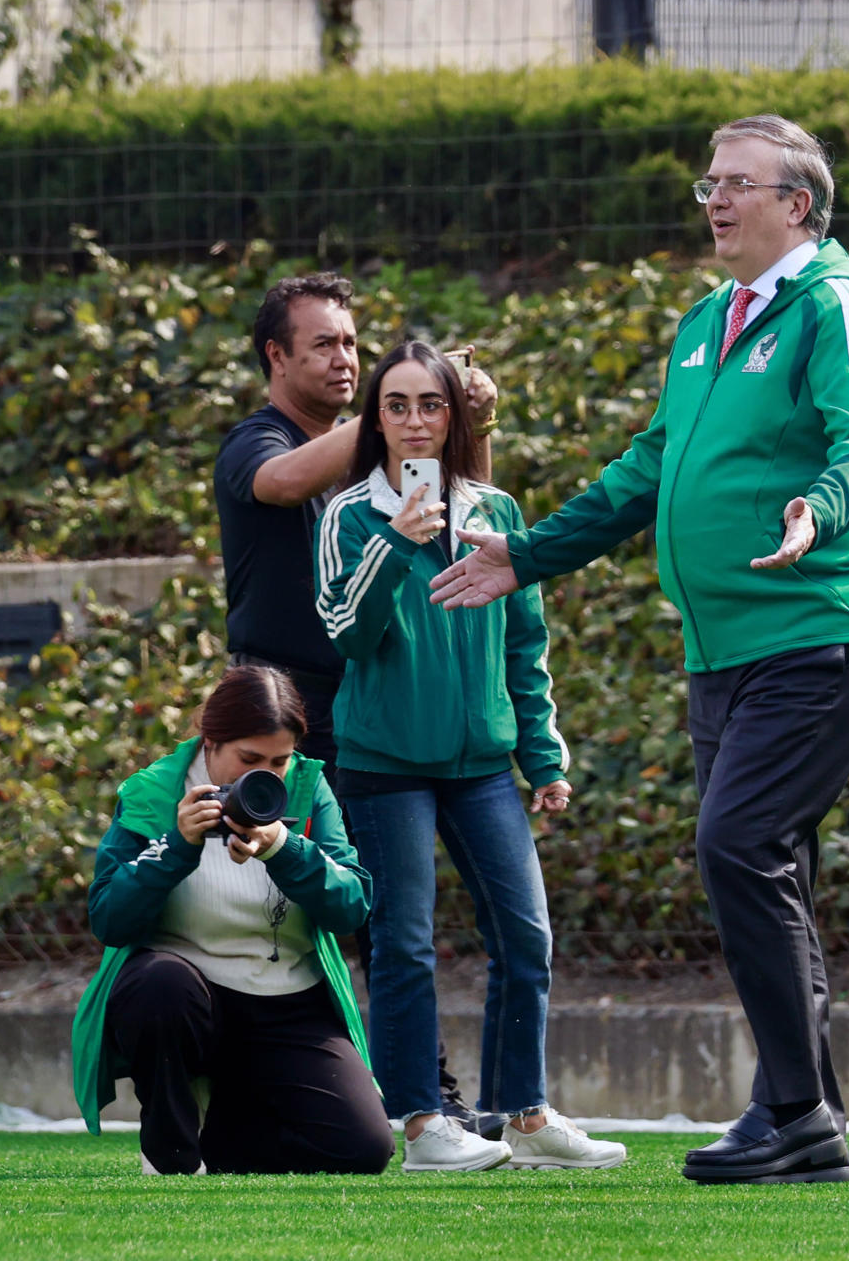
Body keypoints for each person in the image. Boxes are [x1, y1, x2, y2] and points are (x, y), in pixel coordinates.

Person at [431, 115, 849, 1184]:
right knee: (767, 861)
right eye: (709, 184)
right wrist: (530, 554)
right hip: (721, 646)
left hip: (820, 626)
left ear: (800, 206)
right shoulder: (706, 320)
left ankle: (791, 1108)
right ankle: (808, 1109)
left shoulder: (840, 302)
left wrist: (817, 513)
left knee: (737, 844)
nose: (716, 201)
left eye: (739, 184)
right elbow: (651, 466)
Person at [314, 339, 627, 1173]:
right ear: (375, 420)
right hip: (385, 766)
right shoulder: (347, 517)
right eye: (398, 405)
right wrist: (394, 543)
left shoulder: (500, 511)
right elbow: (347, 634)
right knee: (404, 944)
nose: (415, 422)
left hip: (484, 765)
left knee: (526, 935)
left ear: (454, 416)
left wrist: (544, 756)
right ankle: (422, 1126)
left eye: (432, 404)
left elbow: (526, 644)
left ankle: (521, 1117)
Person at [213, 272, 496, 1130]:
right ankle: (302, 1093)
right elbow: (283, 483)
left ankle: (427, 1101)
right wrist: (391, 414)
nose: (346, 360)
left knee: (385, 911)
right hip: (289, 717)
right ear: (276, 356)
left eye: (354, 345)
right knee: (294, 905)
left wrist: (462, 417)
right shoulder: (253, 444)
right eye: (326, 345)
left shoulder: (377, 457)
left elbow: (463, 514)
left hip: (377, 698)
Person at [70, 664, 395, 1176]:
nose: (261, 775)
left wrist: (285, 849)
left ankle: (222, 1124)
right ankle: (170, 1149)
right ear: (211, 742)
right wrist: (176, 847)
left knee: (364, 1151)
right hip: (187, 994)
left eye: (278, 761)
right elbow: (110, 919)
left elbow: (352, 906)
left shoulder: (310, 787)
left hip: (288, 998)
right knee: (157, 984)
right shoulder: (153, 792)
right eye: (247, 759)